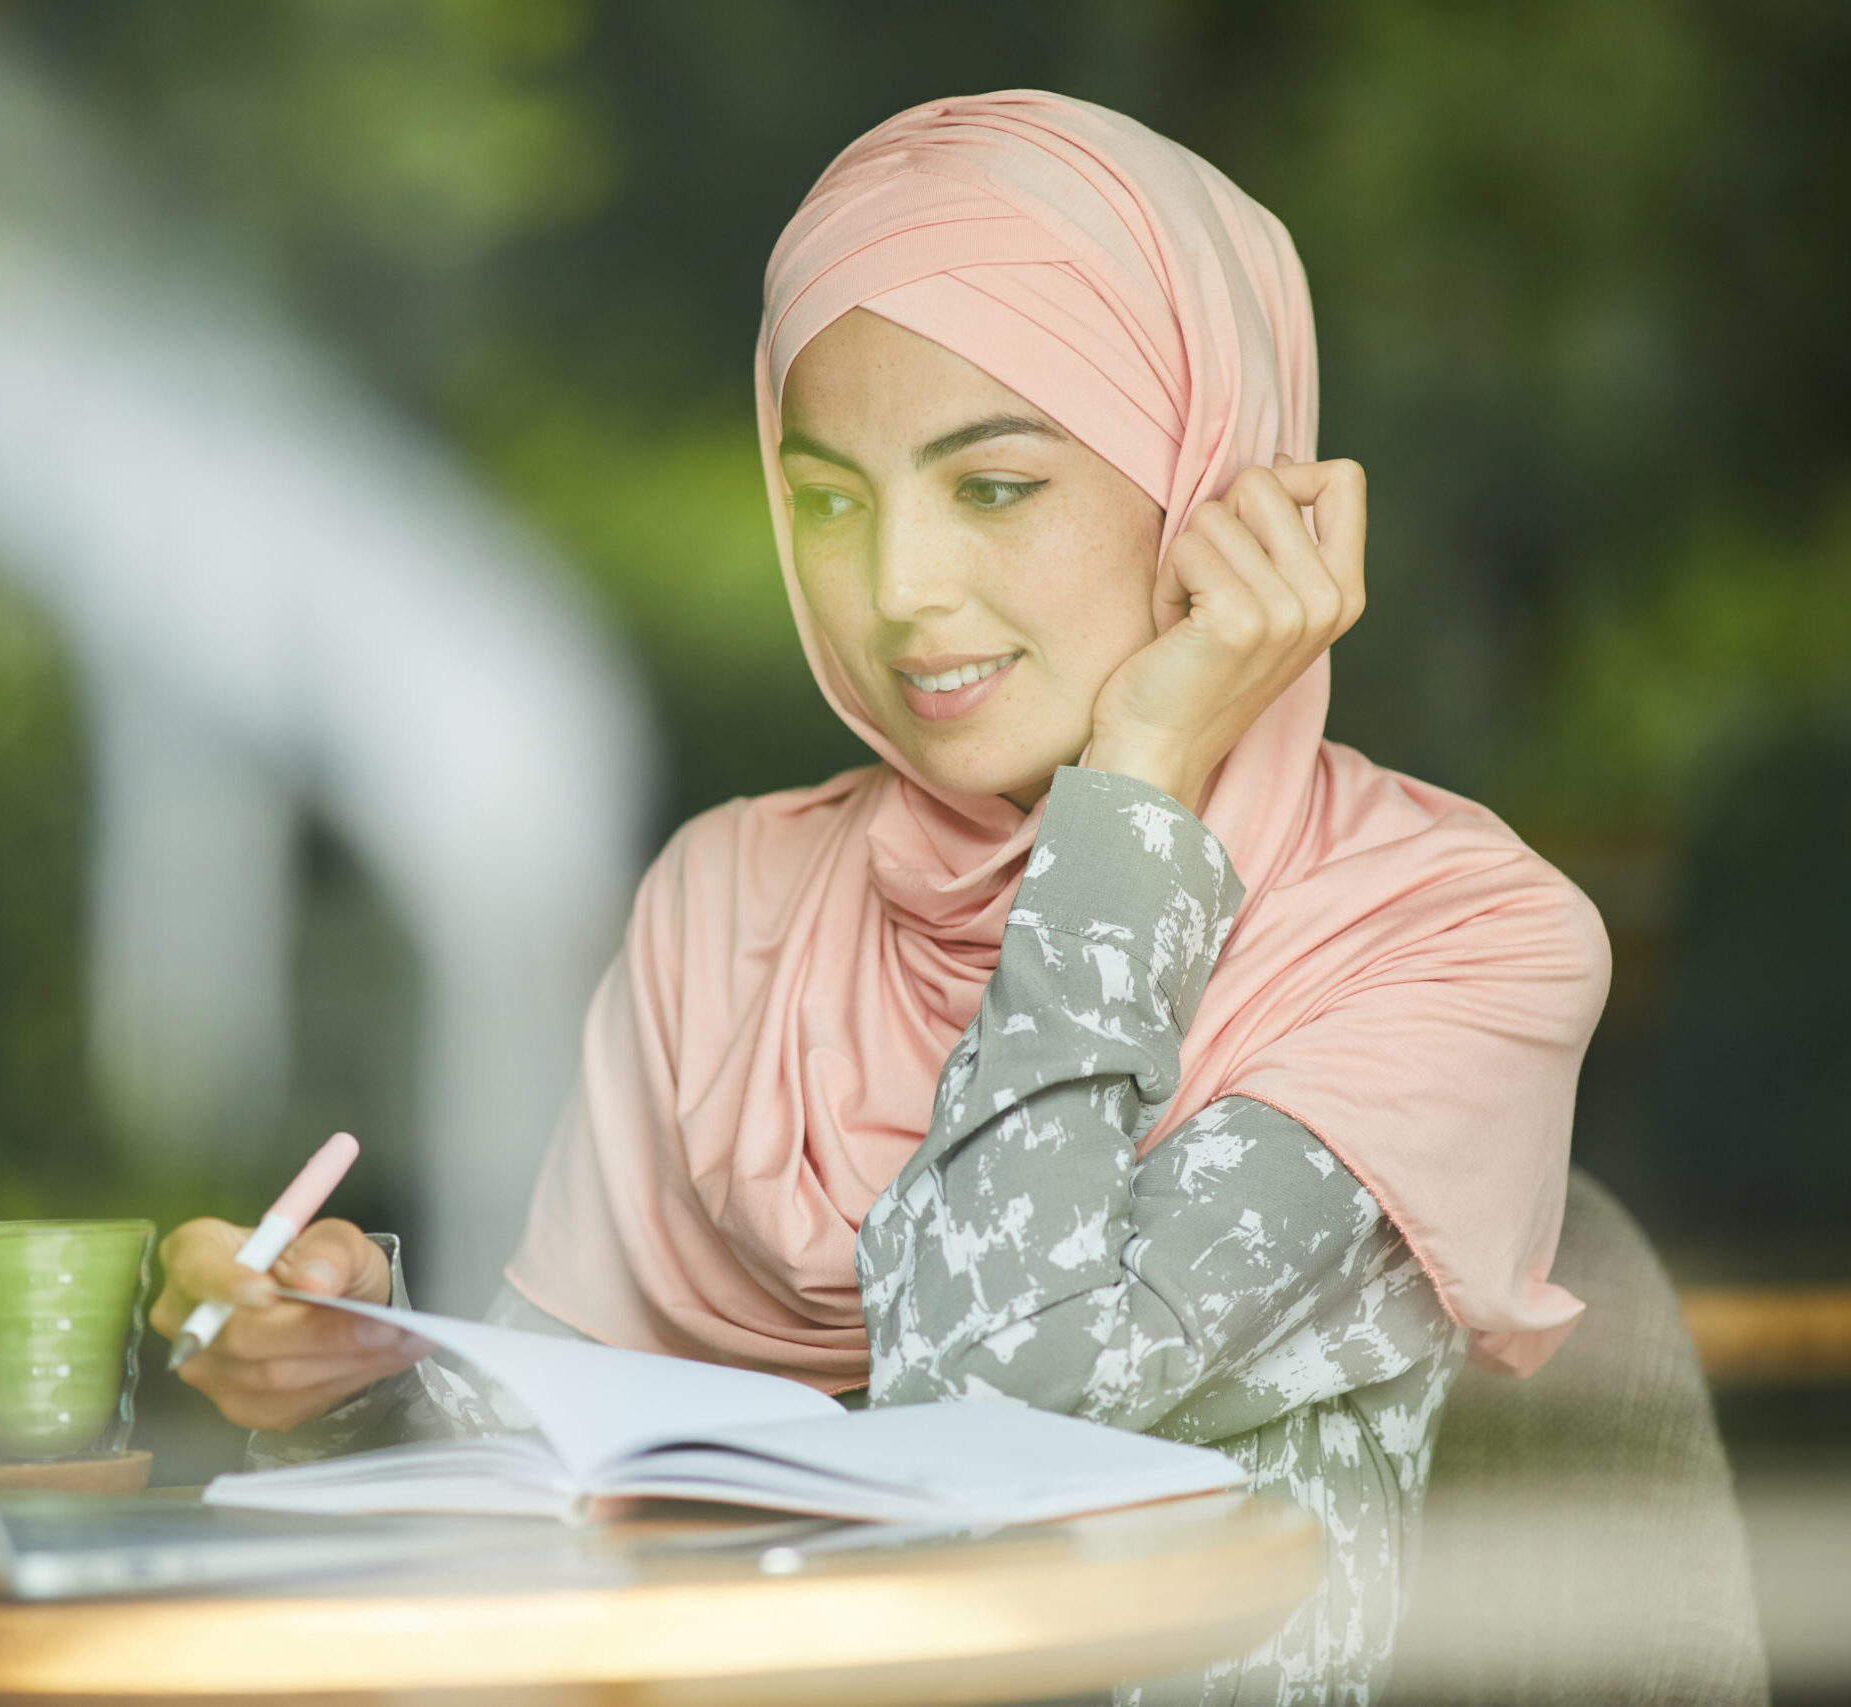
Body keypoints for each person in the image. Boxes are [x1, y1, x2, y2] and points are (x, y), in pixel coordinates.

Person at [152, 91, 1609, 1705]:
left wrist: (1132, 793)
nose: (896, 588)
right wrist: (359, 1367)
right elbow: (576, 1470)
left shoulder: (1455, 932)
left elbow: (997, 1391)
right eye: (831, 500)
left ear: (1218, 483)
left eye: (991, 486)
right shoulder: (731, 893)